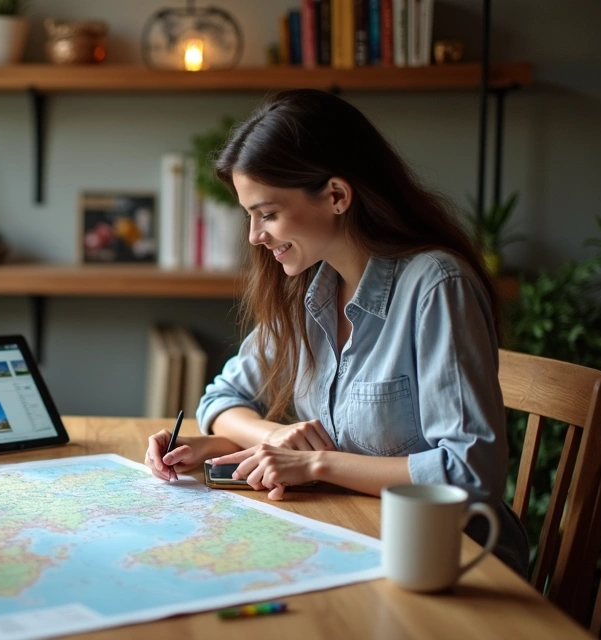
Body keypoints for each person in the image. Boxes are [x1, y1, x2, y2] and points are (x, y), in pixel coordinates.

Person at [142, 89, 528, 576]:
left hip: (450, 563)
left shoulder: (436, 287)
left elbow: (470, 473)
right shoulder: (308, 284)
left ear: (337, 196)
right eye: (249, 216)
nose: (254, 236)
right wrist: (270, 437)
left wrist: (317, 464)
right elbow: (222, 398)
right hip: (351, 539)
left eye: (267, 213)